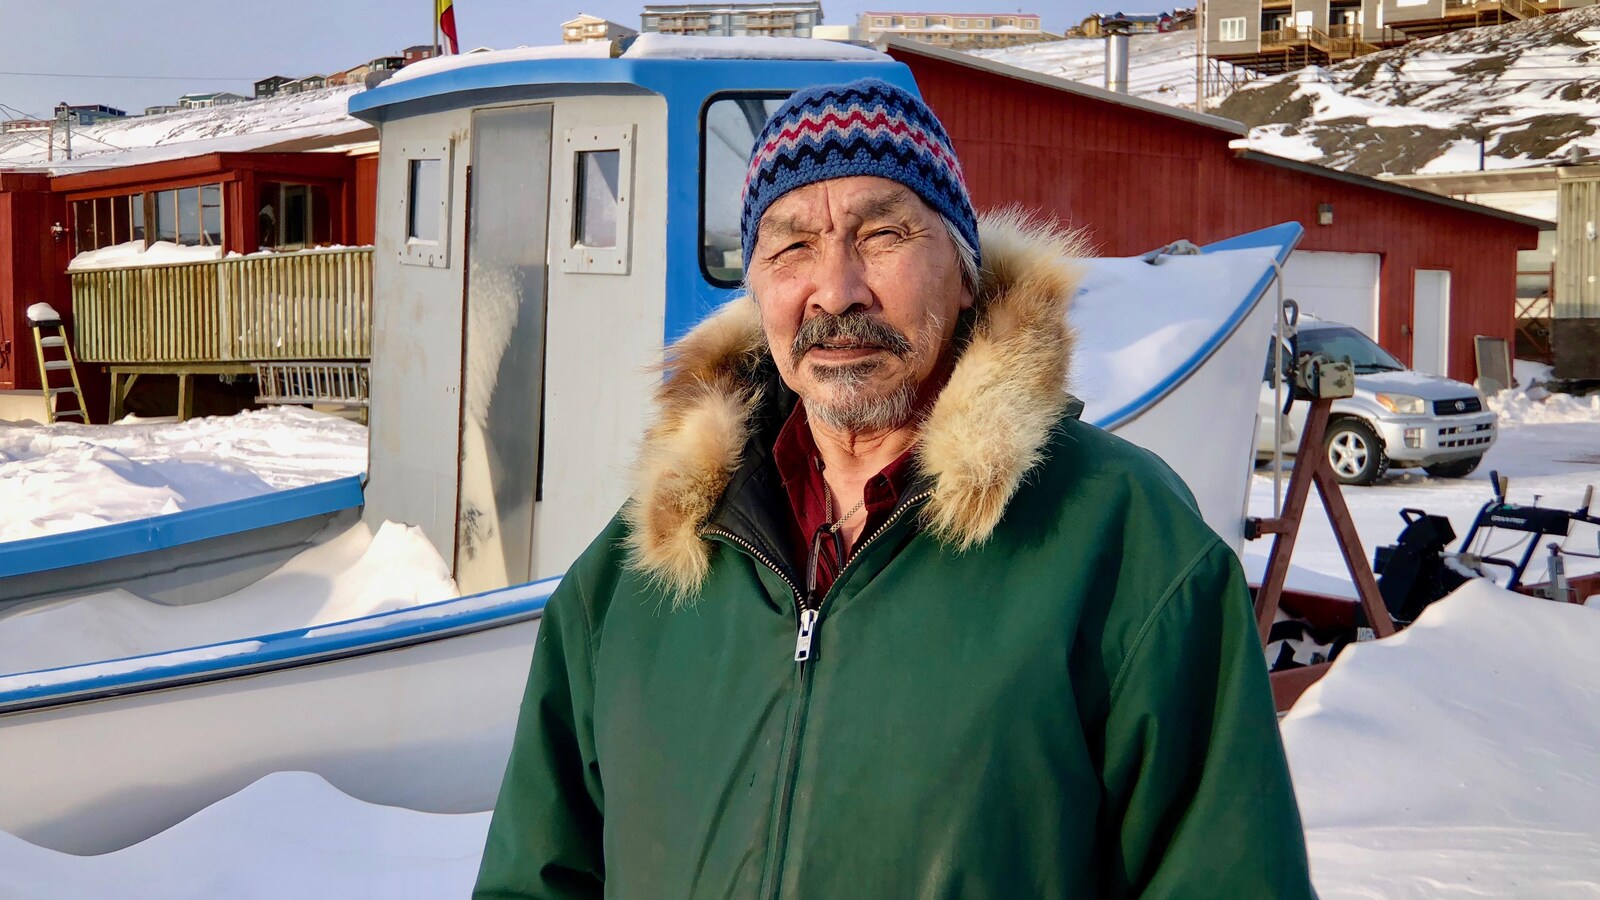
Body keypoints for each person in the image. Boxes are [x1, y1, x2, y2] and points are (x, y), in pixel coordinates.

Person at [474, 78, 1315, 899]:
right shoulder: (639, 569)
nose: (835, 290)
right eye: (792, 245)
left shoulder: (1121, 537)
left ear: (964, 270)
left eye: (882, 234)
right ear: (757, 285)